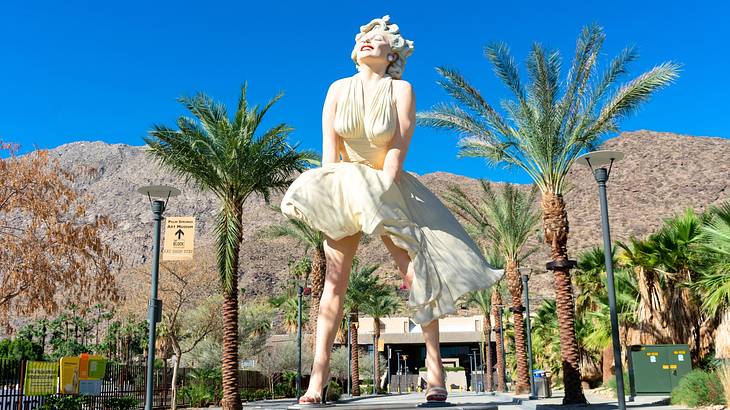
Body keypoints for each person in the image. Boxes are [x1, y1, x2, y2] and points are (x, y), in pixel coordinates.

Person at [280, 15, 502, 405]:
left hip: (388, 185)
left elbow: (397, 149)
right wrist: (331, 197)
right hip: (345, 185)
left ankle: (436, 373)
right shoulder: (336, 89)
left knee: (416, 276)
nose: (368, 41)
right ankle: (319, 375)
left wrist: (379, 194)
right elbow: (330, 156)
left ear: (392, 53)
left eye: (378, 38)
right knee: (333, 283)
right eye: (364, 37)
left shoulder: (401, 90)